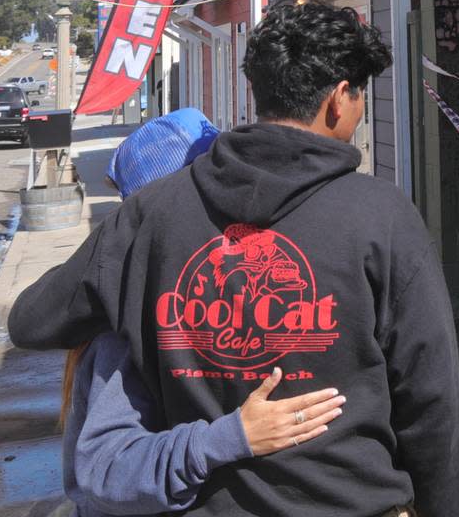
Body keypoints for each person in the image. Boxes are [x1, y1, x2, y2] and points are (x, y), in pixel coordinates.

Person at [10, 0, 459, 517]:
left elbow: (32, 321)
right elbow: (432, 403)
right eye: (361, 95)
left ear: (258, 89)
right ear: (340, 100)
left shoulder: (149, 215)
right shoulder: (383, 217)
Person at [61, 109, 347, 517]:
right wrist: (232, 437)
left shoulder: (215, 290)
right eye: (215, 187)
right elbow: (105, 471)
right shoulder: (129, 319)